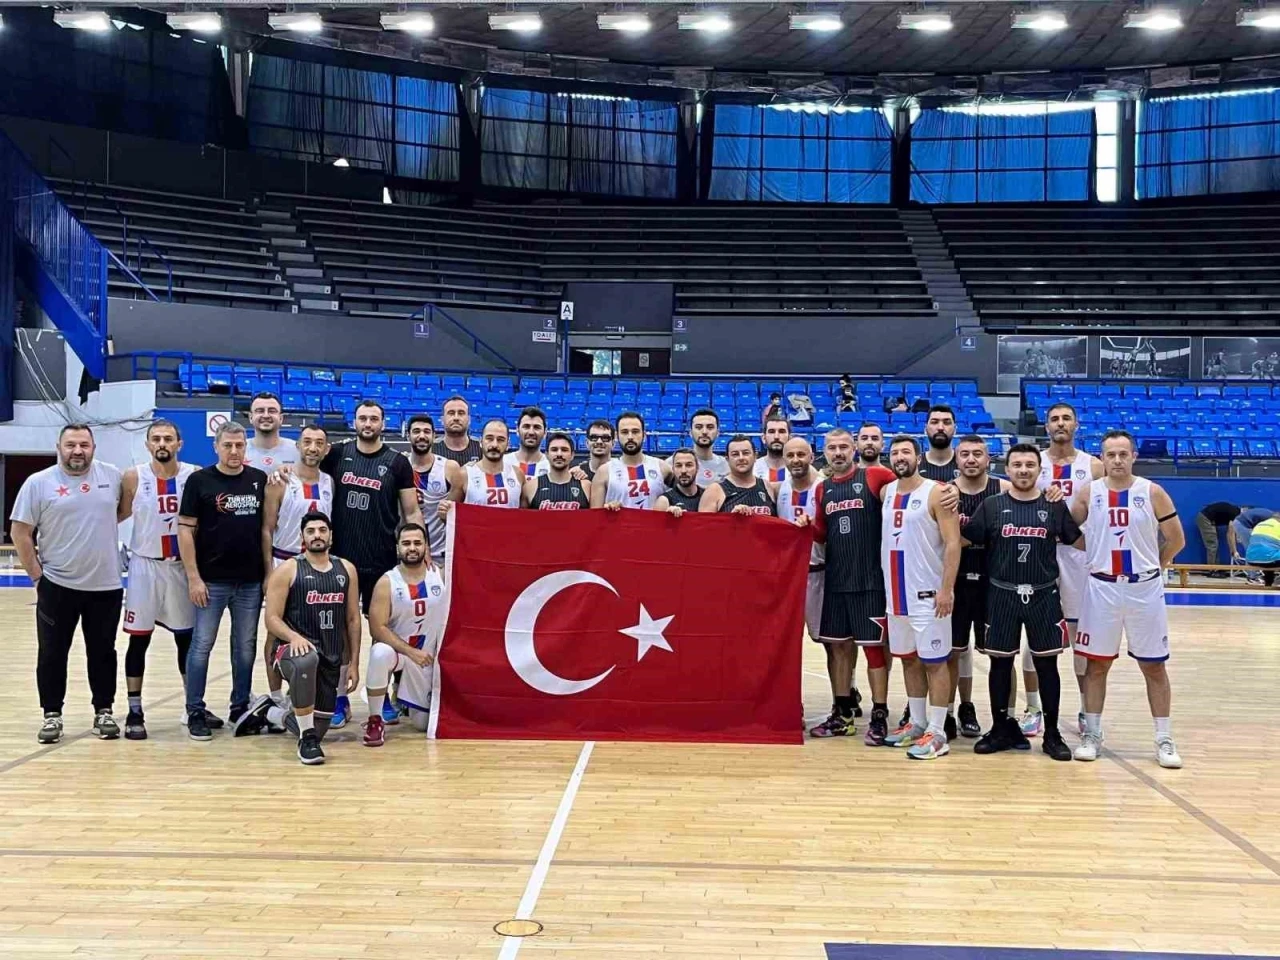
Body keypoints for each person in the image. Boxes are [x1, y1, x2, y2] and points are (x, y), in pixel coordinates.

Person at [1070, 430, 1186, 768]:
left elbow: (1176, 539)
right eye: (1111, 454)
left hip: (1143, 589)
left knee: (1153, 665)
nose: (1117, 460)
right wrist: (1095, 552)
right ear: (1102, 458)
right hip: (1102, 587)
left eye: (1123, 454)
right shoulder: (1089, 493)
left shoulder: (1152, 492)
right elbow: (1068, 533)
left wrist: (1155, 566)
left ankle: (1164, 738)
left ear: (1134, 456)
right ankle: (1092, 734)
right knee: (1096, 665)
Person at [962, 443, 1081, 761]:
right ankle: (1000, 727)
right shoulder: (991, 505)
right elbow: (962, 539)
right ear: (1008, 469)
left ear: (1040, 470)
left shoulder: (1054, 504)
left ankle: (1052, 733)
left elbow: (1077, 540)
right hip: (1001, 592)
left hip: (1043, 594)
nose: (1024, 470)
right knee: (1000, 663)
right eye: (1017, 465)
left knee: (1047, 664)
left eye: (1030, 465)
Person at [11, 423, 125, 744]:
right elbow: (20, 532)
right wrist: (37, 576)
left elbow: (120, 512)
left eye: (84, 445)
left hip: (105, 586)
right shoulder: (38, 483)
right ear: (58, 448)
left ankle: (104, 711)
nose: (78, 451)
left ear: (93, 448)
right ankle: (52, 715)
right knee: (52, 653)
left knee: (103, 652)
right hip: (57, 586)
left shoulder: (112, 476)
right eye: (71, 445)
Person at [317, 400, 421, 728]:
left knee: (381, 630)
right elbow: (306, 467)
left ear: (382, 423)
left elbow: (411, 510)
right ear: (354, 422)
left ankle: (382, 695)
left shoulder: (397, 462)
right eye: (363, 418)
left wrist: (424, 548)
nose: (368, 423)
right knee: (339, 629)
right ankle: (338, 696)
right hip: (341, 559)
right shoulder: (337, 455)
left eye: (374, 418)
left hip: (382, 559)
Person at [805, 428, 896, 741]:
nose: (838, 452)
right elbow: (820, 533)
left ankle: (879, 714)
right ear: (824, 452)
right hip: (836, 582)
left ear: (854, 448)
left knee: (873, 651)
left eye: (844, 446)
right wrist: (803, 527)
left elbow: (910, 489)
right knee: (839, 649)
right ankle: (842, 714)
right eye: (832, 448)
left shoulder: (876, 476)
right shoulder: (822, 489)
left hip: (869, 582)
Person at [178, 421, 267, 741]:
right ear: (216, 446)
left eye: (239, 445)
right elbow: (185, 530)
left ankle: (239, 707)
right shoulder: (199, 481)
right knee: (201, 645)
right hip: (211, 582)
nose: (234, 451)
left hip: (250, 582)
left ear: (246, 447)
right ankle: (195, 711)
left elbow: (265, 529)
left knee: (245, 648)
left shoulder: (258, 479)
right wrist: (193, 578)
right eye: (227, 445)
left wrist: (267, 575)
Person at [118, 419, 199, 740]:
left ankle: (192, 706)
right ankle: (134, 710)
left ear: (179, 443)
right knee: (139, 640)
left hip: (180, 568)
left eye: (168, 438)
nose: (162, 444)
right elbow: (118, 514)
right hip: (144, 567)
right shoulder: (133, 477)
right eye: (156, 439)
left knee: (186, 640)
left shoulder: (193, 475)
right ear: (148, 444)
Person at [881, 435, 961, 760]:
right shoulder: (886, 492)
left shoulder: (937, 492)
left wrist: (947, 589)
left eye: (906, 452)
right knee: (909, 660)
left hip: (928, 596)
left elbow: (953, 543)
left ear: (918, 457)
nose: (900, 457)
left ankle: (938, 731)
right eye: (895, 452)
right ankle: (916, 722)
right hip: (896, 596)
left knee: (935, 663)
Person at [258, 512, 361, 765]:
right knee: (306, 659)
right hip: (289, 652)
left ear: (331, 536)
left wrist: (354, 664)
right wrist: (293, 637)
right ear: (302, 537)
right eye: (311, 531)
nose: (317, 535)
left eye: (322, 530)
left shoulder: (346, 569)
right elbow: (271, 618)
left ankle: (270, 712)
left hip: (330, 656)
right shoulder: (287, 570)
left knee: (320, 728)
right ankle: (306, 741)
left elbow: (352, 620)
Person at [1028, 401, 1105, 737]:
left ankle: (1087, 710)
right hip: (1038, 554)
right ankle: (1033, 709)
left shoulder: (1095, 466)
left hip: (1078, 556)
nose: (1060, 423)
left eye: (1066, 418)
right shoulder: (1033, 461)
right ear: (1046, 426)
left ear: (1076, 424)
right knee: (1034, 635)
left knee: (1080, 638)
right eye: (1054, 419)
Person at [256, 424, 334, 733]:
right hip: (284, 560)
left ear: (326, 449)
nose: (313, 448)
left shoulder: (329, 482)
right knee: (275, 631)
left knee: (315, 629)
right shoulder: (280, 481)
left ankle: (305, 693)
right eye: (307, 442)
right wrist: (268, 572)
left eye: (319, 443)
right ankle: (276, 697)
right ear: (298, 446)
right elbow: (266, 529)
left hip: (318, 565)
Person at [361, 522, 446, 745]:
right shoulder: (387, 582)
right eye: (406, 543)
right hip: (402, 654)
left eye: (418, 543)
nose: (412, 548)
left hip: (429, 659)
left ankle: (405, 698)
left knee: (422, 724)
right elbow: (377, 628)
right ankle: (375, 719)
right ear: (397, 547)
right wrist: (410, 652)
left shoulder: (440, 575)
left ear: (426, 547)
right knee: (379, 652)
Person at [948, 434, 1001, 741]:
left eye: (977, 454)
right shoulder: (944, 492)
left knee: (1001, 656)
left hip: (994, 583)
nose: (971, 459)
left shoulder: (1002, 489)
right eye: (965, 454)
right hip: (955, 582)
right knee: (952, 653)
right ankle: (953, 711)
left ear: (988, 459)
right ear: (956, 459)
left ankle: (1003, 719)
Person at [776, 436, 825, 648]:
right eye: (790, 455)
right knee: (785, 640)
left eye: (801, 454)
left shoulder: (824, 487)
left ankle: (845, 675)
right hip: (788, 576)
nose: (796, 459)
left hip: (820, 572)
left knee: (830, 641)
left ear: (812, 457)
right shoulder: (779, 489)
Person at [591, 412, 670, 510]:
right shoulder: (604, 472)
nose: (630, 437)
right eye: (624, 432)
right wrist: (608, 509)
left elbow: (683, 498)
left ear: (644, 435)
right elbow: (594, 515)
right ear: (616, 436)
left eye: (635, 432)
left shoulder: (662, 468)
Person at [444, 418, 523, 510]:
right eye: (489, 439)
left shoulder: (518, 475)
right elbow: (450, 512)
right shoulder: (464, 475)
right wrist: (444, 510)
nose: (494, 445)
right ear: (481, 442)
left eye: (500, 440)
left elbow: (525, 514)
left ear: (508, 444)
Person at [407, 415, 449, 567]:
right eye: (416, 431)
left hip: (442, 555)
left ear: (434, 435)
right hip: (409, 552)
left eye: (426, 431)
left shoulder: (448, 468)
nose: (422, 436)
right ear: (408, 435)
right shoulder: (399, 466)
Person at [699, 436, 776, 515]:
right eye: (735, 454)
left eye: (746, 453)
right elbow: (703, 522)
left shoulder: (766, 486)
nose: (741, 458)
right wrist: (733, 518)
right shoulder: (714, 491)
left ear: (755, 456)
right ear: (727, 459)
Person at [524, 433, 591, 509]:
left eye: (564, 450)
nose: (559, 454)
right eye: (554, 450)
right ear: (546, 455)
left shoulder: (586, 486)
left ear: (572, 455)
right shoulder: (530, 487)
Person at [243, 392, 298, 472]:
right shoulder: (239, 449)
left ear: (281, 418)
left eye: (272, 411)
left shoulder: (297, 450)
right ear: (250, 417)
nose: (266, 415)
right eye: (260, 411)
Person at [682, 408, 729, 485]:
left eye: (710, 427)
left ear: (718, 433)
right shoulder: (673, 464)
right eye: (698, 427)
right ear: (690, 433)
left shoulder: (727, 466)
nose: (704, 432)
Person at [433, 395, 482, 465]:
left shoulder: (481, 448)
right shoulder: (432, 449)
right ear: (442, 420)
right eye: (451, 413)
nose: (456, 418)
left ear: (469, 419)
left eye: (461, 413)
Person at [505, 406, 550, 479]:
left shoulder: (551, 467)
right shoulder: (504, 463)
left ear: (545, 433)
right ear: (517, 430)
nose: (531, 432)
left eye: (537, 427)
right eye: (526, 426)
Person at [654, 448, 704, 514]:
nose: (683, 471)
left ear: (697, 468)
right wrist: (669, 517)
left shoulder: (706, 496)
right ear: (673, 469)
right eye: (679, 466)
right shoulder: (664, 501)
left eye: (689, 465)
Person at [918, 404, 958, 482]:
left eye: (947, 423)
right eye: (934, 422)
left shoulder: (965, 464)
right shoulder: (915, 465)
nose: (940, 428)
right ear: (925, 429)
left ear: (955, 429)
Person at [1196, 501, 1241, 568]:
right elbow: (1230, 534)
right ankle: (1212, 569)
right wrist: (1234, 551)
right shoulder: (1235, 516)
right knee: (1212, 545)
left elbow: (1230, 534)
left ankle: (1216, 567)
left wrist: (1232, 550)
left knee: (1214, 545)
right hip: (1206, 519)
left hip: (1207, 518)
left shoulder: (1233, 511)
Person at [753, 417, 791, 483]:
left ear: (789, 438)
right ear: (763, 438)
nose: (776, 437)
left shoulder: (798, 469)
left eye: (781, 432)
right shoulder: (753, 469)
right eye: (771, 432)